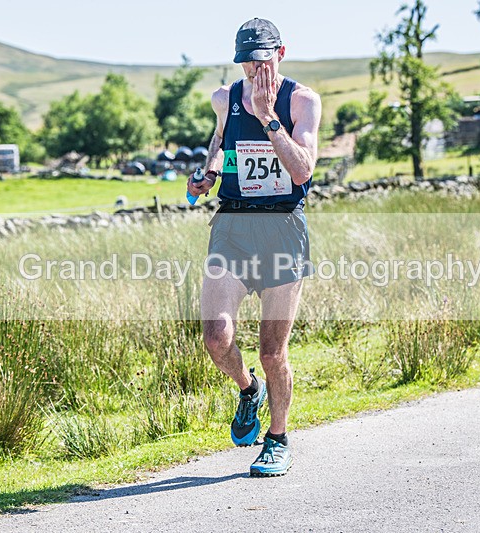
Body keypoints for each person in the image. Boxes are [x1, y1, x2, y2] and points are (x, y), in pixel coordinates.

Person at [186, 18, 321, 477]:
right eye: (246, 64)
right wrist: (207, 174)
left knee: (271, 351)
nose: (253, 72)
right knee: (216, 337)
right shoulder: (224, 98)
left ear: (280, 54)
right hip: (234, 225)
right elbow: (221, 143)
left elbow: (302, 170)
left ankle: (277, 439)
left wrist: (268, 116)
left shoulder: (302, 101)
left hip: (283, 228)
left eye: (261, 62)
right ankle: (248, 391)